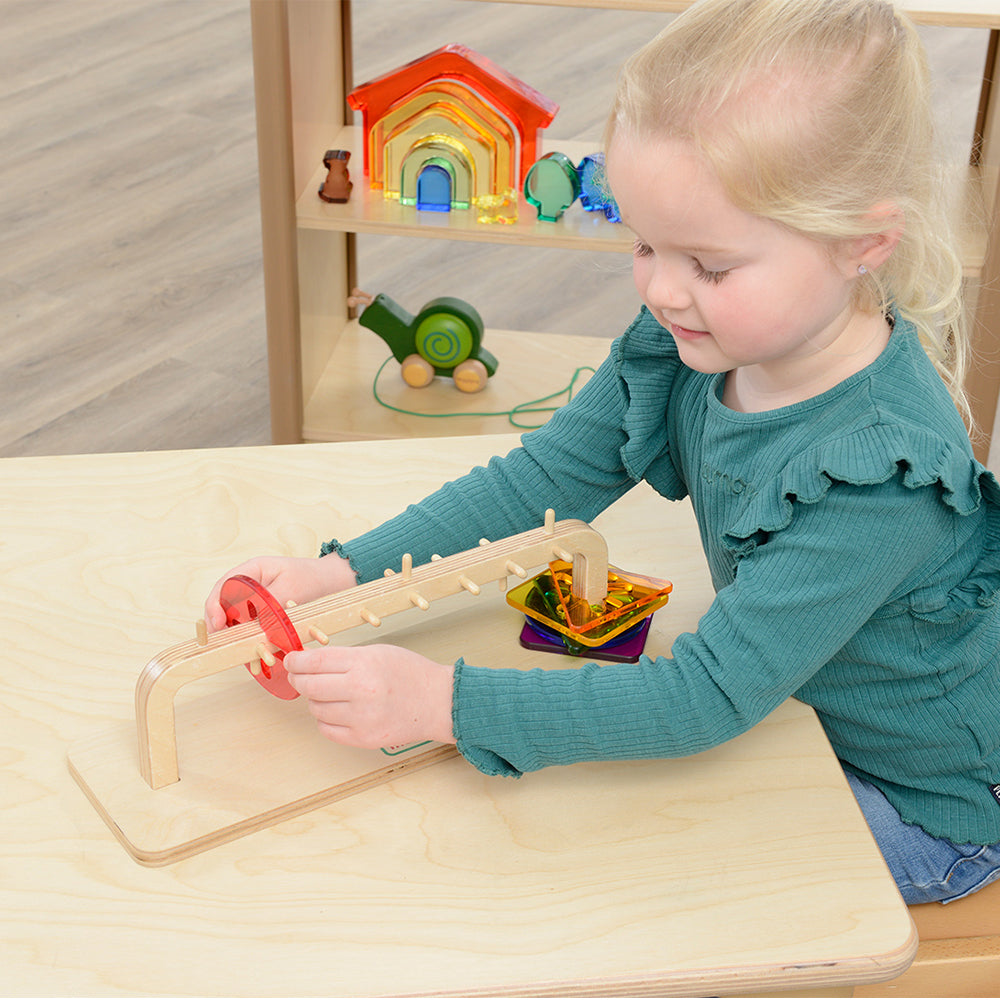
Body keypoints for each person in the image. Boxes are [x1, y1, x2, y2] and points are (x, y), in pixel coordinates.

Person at [206, 0, 1000, 904]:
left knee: (614, 877)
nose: (662, 287)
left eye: (709, 265)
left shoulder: (878, 477)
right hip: (794, 705)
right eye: (643, 242)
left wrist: (444, 705)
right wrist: (344, 575)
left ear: (864, 243)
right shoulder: (697, 340)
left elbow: (703, 699)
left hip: (922, 802)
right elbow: (546, 479)